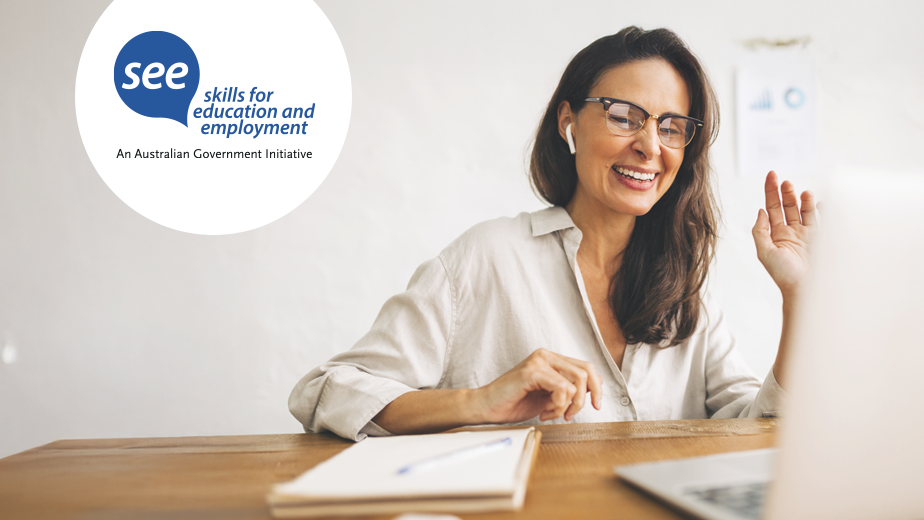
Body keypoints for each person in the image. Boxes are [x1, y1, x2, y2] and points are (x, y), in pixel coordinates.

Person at [288, 27, 815, 441]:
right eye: (624, 117)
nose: (650, 145)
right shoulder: (486, 258)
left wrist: (799, 300)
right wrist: (480, 401)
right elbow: (327, 391)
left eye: (671, 126)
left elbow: (756, 428)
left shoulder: (685, 290)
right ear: (570, 122)